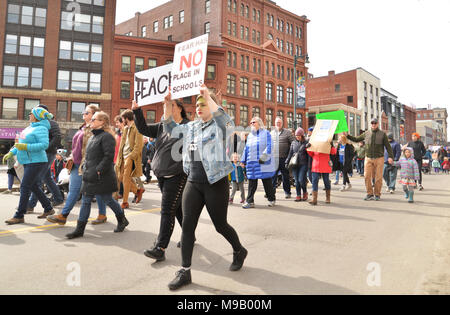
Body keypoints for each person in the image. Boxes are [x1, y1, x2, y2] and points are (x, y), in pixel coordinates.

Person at [163, 85, 247, 291]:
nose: (199, 108)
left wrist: (207, 96)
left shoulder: (219, 126)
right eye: (197, 105)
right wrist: (166, 104)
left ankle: (239, 250)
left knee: (220, 225)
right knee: (188, 226)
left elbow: (228, 122)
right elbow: (170, 129)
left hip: (215, 182)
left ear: (211, 105)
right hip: (193, 181)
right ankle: (185, 270)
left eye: (203, 105)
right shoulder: (191, 127)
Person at [132, 97, 190, 262]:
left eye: (169, 105)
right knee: (176, 208)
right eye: (165, 106)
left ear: (178, 108)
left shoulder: (187, 126)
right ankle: (190, 235)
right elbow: (142, 128)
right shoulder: (162, 125)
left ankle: (160, 247)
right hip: (162, 174)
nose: (166, 109)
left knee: (167, 210)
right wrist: (137, 110)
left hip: (177, 174)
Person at [65, 111, 129, 239]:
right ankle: (80, 229)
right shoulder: (93, 136)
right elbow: (89, 156)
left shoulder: (107, 137)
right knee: (86, 201)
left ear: (102, 122)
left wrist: (99, 169)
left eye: (94, 119)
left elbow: (108, 156)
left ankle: (122, 219)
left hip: (101, 176)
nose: (91, 121)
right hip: (89, 174)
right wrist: (84, 166)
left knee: (108, 199)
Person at [47, 104, 107, 226]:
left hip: (88, 165)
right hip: (76, 164)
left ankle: (106, 214)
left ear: (94, 115)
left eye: (87, 113)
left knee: (99, 192)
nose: (83, 114)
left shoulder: (96, 130)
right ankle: (63, 216)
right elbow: (77, 147)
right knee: (73, 191)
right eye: (84, 113)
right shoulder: (83, 127)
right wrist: (71, 156)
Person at [4, 107, 55, 225]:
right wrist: (12, 152)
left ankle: (19, 215)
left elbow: (44, 145)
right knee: (33, 186)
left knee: (25, 186)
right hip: (27, 160)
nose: (29, 115)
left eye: (31, 113)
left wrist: (26, 147)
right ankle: (48, 208)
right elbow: (20, 144)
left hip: (36, 161)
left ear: (37, 116)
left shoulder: (42, 128)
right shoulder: (29, 127)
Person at [26, 104, 64, 214]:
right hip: (40, 154)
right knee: (47, 178)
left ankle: (30, 205)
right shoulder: (37, 124)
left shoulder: (51, 123)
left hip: (47, 154)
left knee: (36, 179)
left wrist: (45, 148)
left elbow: (57, 137)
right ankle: (58, 199)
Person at [347, 118, 394, 201]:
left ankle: (377, 194)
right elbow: (356, 139)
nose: (373, 124)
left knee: (378, 177)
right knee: (366, 176)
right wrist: (347, 135)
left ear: (377, 124)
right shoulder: (367, 133)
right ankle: (369, 194)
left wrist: (390, 157)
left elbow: (388, 146)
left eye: (375, 123)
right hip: (368, 158)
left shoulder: (382, 134)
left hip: (379, 158)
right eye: (372, 123)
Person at [241, 116, 276, 209]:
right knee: (252, 183)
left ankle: (271, 199)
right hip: (251, 162)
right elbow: (246, 148)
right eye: (251, 122)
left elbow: (270, 146)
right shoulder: (250, 136)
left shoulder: (266, 133)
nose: (252, 124)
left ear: (259, 123)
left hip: (262, 162)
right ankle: (250, 201)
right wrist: (243, 160)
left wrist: (264, 157)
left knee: (267, 182)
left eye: (254, 122)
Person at [115, 110, 145, 209]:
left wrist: (131, 157)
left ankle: (125, 202)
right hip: (122, 157)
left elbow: (138, 145)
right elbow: (122, 145)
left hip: (130, 157)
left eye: (123, 119)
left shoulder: (137, 128)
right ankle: (137, 191)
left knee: (126, 178)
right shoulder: (126, 129)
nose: (122, 120)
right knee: (120, 177)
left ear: (127, 119)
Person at [271, 117, 295, 199]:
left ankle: (287, 192)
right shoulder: (272, 133)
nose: (278, 124)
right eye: (277, 122)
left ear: (282, 123)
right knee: (273, 176)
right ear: (275, 123)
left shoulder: (287, 132)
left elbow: (293, 143)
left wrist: (290, 155)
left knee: (285, 176)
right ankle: (271, 193)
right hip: (274, 159)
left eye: (279, 122)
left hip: (284, 158)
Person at [285, 127, 309, 202]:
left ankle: (305, 192)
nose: (297, 137)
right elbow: (290, 153)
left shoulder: (306, 143)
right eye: (296, 135)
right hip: (295, 164)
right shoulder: (293, 143)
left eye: (299, 135)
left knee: (301, 180)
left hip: (303, 164)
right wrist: (286, 162)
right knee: (296, 181)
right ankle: (298, 195)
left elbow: (309, 154)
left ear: (302, 135)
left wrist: (309, 164)